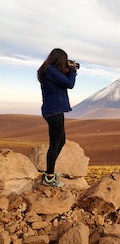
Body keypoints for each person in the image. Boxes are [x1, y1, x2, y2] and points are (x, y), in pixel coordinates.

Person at [37, 48, 78, 187]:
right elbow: (70, 84)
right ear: (59, 59)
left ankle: (50, 171)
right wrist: (72, 71)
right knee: (55, 144)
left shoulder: (49, 70)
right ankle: (49, 176)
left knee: (61, 142)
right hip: (54, 111)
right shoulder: (51, 71)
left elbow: (63, 81)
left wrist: (69, 70)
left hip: (54, 111)